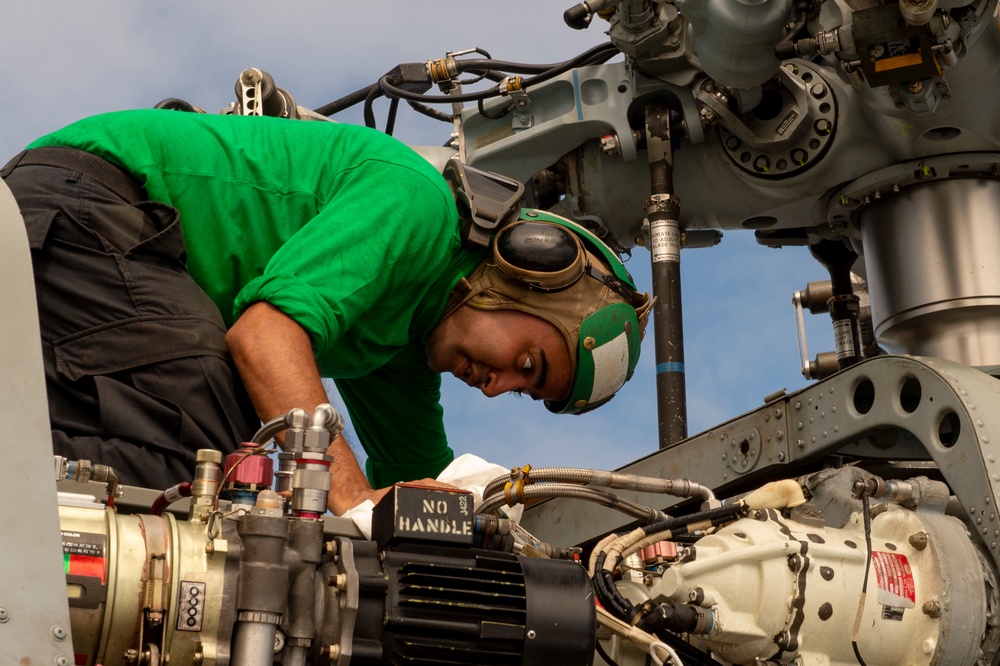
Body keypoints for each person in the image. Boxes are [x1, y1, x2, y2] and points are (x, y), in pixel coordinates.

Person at [1, 108, 651, 515]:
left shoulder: (401, 347)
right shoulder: (417, 205)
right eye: (528, 364)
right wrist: (350, 497)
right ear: (526, 267)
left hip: (93, 254)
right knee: (208, 463)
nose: (496, 387)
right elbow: (265, 337)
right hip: (89, 205)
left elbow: (417, 498)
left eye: (522, 393)